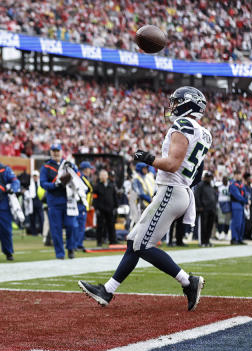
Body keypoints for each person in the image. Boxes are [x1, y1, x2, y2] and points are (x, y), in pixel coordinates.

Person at [78, 86, 211, 312]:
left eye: (177, 102)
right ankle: (107, 291)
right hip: (178, 191)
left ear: (189, 104)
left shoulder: (184, 125)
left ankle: (188, 282)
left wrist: (147, 158)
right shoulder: (203, 132)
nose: (173, 106)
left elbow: (171, 164)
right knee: (133, 241)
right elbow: (197, 173)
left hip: (171, 190)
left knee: (142, 245)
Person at [39, 144, 77, 259]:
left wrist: (73, 172)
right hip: (54, 201)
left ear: (61, 152)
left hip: (69, 200)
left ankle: (70, 248)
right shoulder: (46, 167)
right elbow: (43, 183)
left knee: (71, 226)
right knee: (56, 229)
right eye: (53, 151)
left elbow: (78, 177)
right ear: (51, 152)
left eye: (57, 151)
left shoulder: (68, 165)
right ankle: (60, 253)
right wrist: (54, 184)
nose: (56, 153)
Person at [93, 169, 119, 247]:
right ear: (100, 177)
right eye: (102, 175)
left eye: (105, 175)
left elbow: (115, 197)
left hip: (110, 209)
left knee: (111, 225)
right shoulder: (97, 186)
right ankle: (99, 241)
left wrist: (116, 207)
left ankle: (113, 240)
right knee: (100, 226)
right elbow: (94, 198)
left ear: (107, 176)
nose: (103, 177)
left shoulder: (112, 186)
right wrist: (96, 208)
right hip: (100, 209)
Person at [74, 161, 94, 251]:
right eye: (89, 169)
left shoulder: (83, 177)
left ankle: (78, 243)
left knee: (80, 226)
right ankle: (78, 244)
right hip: (81, 205)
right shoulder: (81, 178)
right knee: (80, 226)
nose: (90, 171)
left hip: (83, 205)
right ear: (86, 169)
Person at [194, 170, 217, 247]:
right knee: (203, 226)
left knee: (209, 226)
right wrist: (199, 206)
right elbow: (196, 196)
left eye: (210, 177)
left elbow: (214, 196)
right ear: (204, 177)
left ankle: (207, 241)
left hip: (211, 209)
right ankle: (202, 241)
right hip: (204, 209)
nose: (209, 179)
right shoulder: (200, 185)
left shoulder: (211, 186)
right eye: (208, 177)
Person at [229, 172, 248, 245]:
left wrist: (247, 200)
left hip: (241, 205)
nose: (239, 176)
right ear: (235, 175)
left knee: (242, 223)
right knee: (236, 223)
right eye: (237, 174)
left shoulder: (241, 184)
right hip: (236, 204)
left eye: (240, 174)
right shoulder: (233, 185)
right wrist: (246, 201)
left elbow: (245, 194)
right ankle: (234, 239)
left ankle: (240, 238)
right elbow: (237, 196)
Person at [216, 176, 231, 240]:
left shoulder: (230, 186)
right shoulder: (219, 186)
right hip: (221, 204)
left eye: (226, 180)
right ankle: (219, 234)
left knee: (227, 221)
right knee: (221, 221)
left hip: (228, 203)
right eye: (224, 179)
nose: (225, 181)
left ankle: (226, 234)